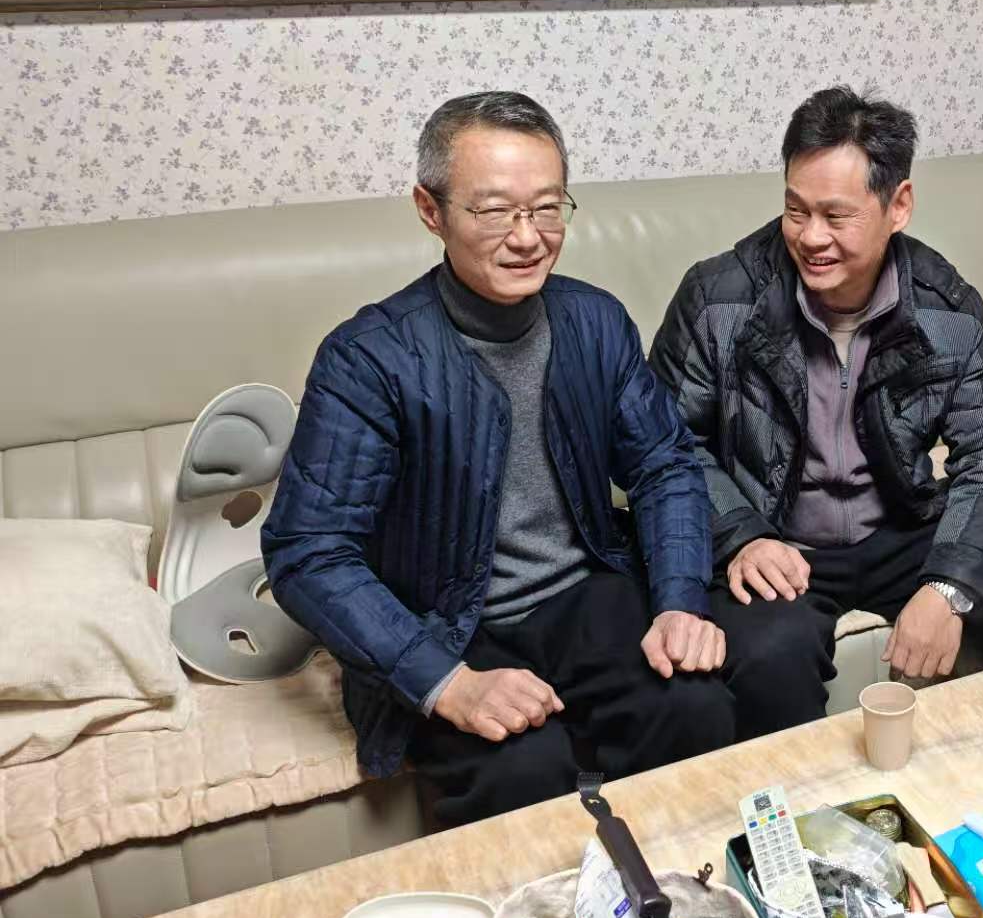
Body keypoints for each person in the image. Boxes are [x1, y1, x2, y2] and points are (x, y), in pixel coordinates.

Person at [261, 91, 733, 826]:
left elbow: (664, 464)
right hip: (447, 621)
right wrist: (447, 682)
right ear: (431, 210)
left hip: (584, 596)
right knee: (525, 771)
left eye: (547, 208)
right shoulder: (368, 359)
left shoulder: (594, 320)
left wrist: (679, 600)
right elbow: (308, 551)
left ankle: (681, 892)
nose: (528, 237)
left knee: (696, 708)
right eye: (494, 211)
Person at [650, 85, 983, 740]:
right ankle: (799, 801)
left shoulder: (943, 304)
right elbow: (667, 443)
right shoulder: (719, 298)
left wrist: (949, 588)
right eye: (796, 211)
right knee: (772, 651)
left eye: (836, 216)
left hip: (899, 528)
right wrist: (740, 535)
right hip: (776, 539)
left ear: (897, 205)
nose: (810, 237)